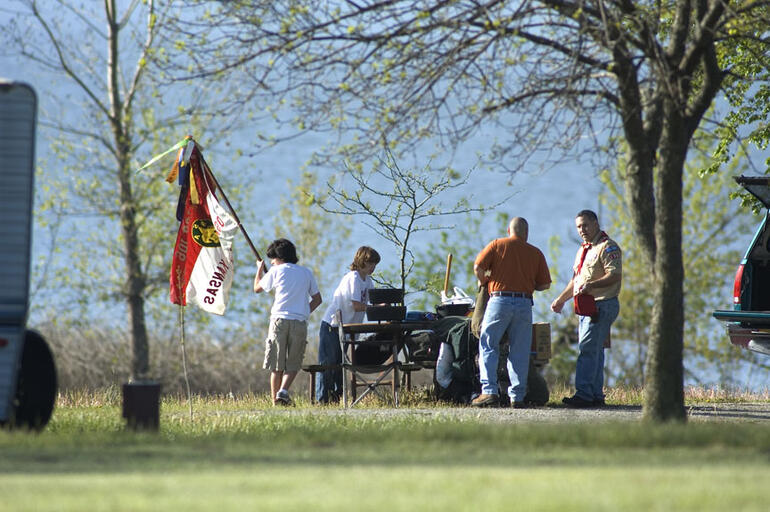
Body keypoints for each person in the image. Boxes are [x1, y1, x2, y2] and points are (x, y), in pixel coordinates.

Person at [471, 217, 551, 408]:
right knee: (520, 351)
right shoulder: (535, 253)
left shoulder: (497, 244)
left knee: (489, 345)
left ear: (509, 230)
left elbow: (478, 268)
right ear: (526, 233)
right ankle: (517, 396)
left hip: (499, 301)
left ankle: (489, 391)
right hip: (524, 303)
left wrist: (484, 281)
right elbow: (545, 284)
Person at [551, 210, 622, 408]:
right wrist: (561, 299)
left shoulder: (607, 247)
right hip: (587, 307)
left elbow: (615, 275)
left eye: (585, 225)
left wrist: (592, 286)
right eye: (578, 227)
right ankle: (595, 395)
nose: (582, 230)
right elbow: (576, 281)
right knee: (596, 351)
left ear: (596, 223)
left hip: (602, 304)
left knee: (587, 351)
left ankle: (583, 394)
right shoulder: (584, 249)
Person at [254, 238, 322, 406]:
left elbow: (257, 288)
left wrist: (259, 271)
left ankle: (274, 400)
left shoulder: (276, 271)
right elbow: (317, 299)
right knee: (294, 362)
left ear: (279, 257)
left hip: (279, 321)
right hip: (299, 322)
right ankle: (283, 391)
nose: (272, 262)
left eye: (273, 259)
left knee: (276, 364)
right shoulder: (306, 272)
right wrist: (305, 311)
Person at [316, 246, 381, 403]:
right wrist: (375, 308)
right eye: (371, 263)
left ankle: (336, 398)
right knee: (329, 363)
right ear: (363, 261)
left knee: (340, 364)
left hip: (347, 328)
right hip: (333, 325)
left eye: (375, 264)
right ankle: (322, 399)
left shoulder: (368, 281)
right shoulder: (353, 278)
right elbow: (356, 305)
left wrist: (383, 305)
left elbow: (373, 300)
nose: (373, 267)